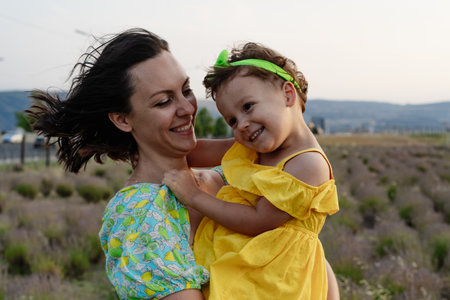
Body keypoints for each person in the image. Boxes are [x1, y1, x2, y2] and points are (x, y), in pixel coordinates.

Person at [26, 28, 339, 300]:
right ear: (123, 119)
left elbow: (303, 251)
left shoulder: (234, 175)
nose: (187, 108)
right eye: (164, 101)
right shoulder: (140, 215)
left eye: (186, 91)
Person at [163, 43, 340, 299]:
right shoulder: (257, 145)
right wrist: (148, 142)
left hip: (274, 278)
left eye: (247, 107)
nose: (242, 125)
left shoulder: (307, 164)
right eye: (232, 120)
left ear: (287, 95)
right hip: (252, 260)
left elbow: (258, 221)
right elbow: (196, 151)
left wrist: (195, 196)